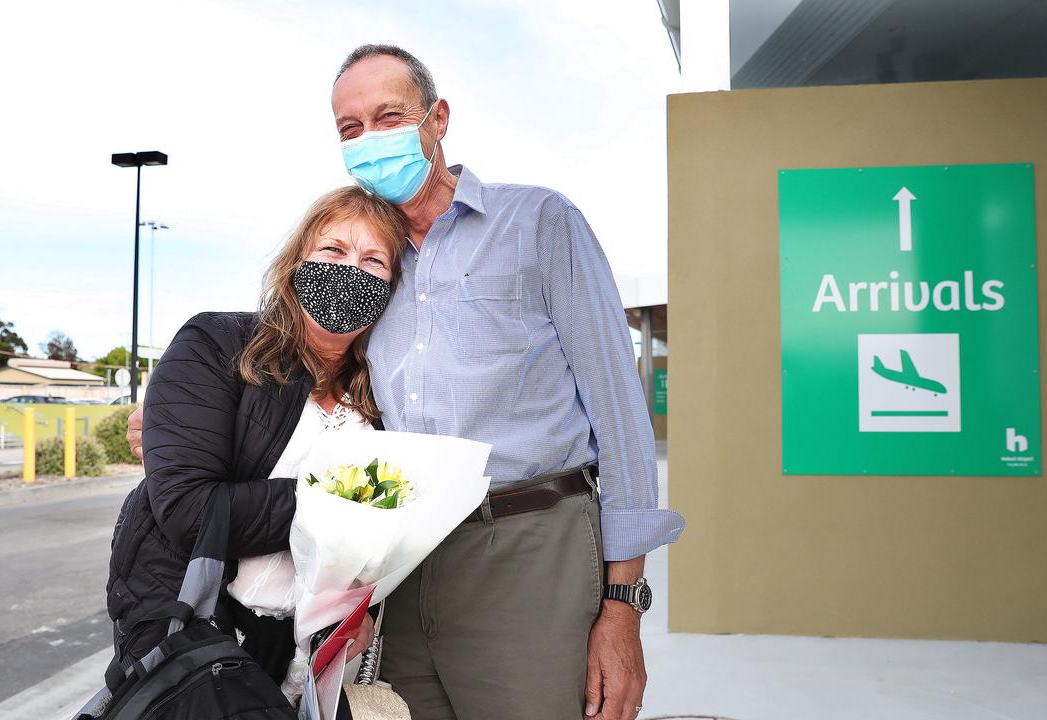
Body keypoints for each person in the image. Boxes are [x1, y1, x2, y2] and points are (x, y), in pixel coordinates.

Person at [128, 44, 685, 720]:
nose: (370, 139)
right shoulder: (378, 269)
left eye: (389, 116)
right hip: (398, 568)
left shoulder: (538, 223)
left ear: (438, 117)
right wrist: (172, 420)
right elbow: (307, 369)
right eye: (350, 128)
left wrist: (623, 608)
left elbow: (621, 416)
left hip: (526, 538)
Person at [105, 185, 406, 700]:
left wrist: (366, 614)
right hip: (202, 635)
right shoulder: (218, 345)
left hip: (314, 655)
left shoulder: (385, 395)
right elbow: (188, 510)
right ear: (296, 262)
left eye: (373, 260)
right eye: (333, 250)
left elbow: (392, 533)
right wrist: (341, 499)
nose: (351, 270)